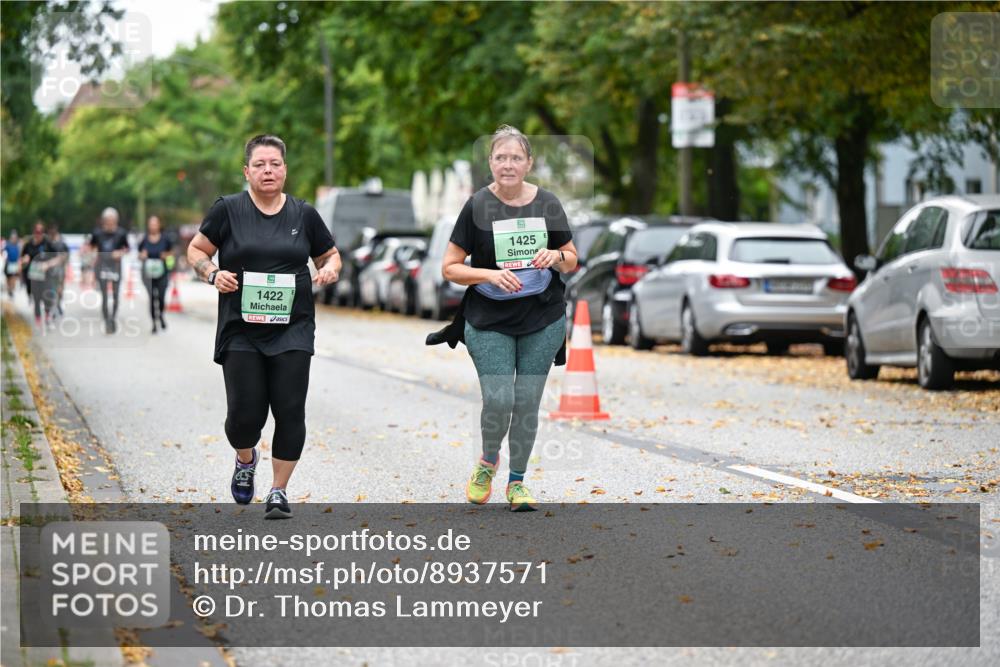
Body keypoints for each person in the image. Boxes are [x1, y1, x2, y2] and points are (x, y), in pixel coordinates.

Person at [187, 134, 340, 519]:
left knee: (290, 410)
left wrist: (330, 269)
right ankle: (245, 457)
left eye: (275, 164)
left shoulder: (304, 214)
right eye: (260, 165)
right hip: (241, 327)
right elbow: (197, 250)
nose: (268, 171)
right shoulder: (228, 210)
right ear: (247, 171)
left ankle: (278, 491)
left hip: (294, 326)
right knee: (244, 417)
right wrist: (212, 273)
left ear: (285, 170)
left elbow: (330, 254)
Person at [439, 125, 578, 511]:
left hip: (542, 316)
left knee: (528, 400)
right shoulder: (477, 206)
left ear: (529, 163)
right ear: (491, 163)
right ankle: (487, 461)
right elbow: (450, 267)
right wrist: (488, 274)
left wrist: (555, 257)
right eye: (501, 157)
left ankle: (517, 483)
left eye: (516, 157)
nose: (508, 164)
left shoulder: (547, 202)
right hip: (489, 316)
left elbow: (572, 257)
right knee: (500, 399)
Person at [90, 207, 129, 333]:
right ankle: (107, 320)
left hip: (116, 267)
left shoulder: (121, 233)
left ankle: (113, 318)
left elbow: (127, 248)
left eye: (113, 220)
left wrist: (120, 253)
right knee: (104, 296)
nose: (111, 223)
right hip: (102, 266)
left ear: (116, 220)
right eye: (108, 220)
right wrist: (95, 256)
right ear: (104, 221)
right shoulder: (97, 233)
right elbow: (91, 247)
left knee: (116, 296)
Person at [139, 215, 173, 333]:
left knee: (161, 298)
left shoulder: (165, 239)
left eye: (155, 224)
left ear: (159, 225)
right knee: (152, 298)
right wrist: (142, 256)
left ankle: (161, 315)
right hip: (148, 274)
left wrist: (166, 256)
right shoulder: (144, 239)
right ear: (148, 226)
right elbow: (139, 254)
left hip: (162, 272)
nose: (153, 226)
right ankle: (154, 323)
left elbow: (171, 253)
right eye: (151, 224)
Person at [21, 223, 54, 326]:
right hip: (34, 274)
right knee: (36, 297)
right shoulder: (28, 244)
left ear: (43, 233)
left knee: (47, 296)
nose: (38, 234)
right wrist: (25, 259)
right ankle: (38, 317)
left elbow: (58, 256)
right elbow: (22, 257)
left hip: (46, 274)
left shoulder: (47, 243)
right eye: (36, 232)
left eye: (40, 232)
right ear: (34, 233)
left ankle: (48, 314)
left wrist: (48, 264)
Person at [46, 226, 69, 318]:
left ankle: (58, 304)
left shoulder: (61, 244)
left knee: (59, 289)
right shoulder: (47, 243)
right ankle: (53, 306)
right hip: (50, 270)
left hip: (59, 270)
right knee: (51, 289)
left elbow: (65, 256)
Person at [3, 230, 20, 298]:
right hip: (9, 263)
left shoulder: (17, 246)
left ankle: (11, 290)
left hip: (14, 264)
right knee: (8, 278)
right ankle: (9, 289)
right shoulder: (8, 245)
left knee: (13, 277)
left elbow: (19, 255)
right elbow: (3, 251)